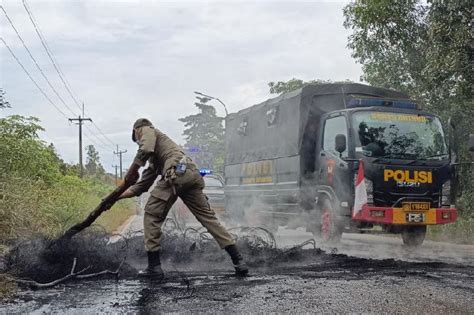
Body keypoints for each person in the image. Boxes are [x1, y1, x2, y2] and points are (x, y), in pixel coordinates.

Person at [117, 118, 248, 278]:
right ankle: (239, 261)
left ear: (137, 131)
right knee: (209, 219)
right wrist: (116, 197)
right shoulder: (157, 157)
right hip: (191, 174)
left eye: (137, 139)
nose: (139, 142)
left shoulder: (147, 129)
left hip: (176, 174)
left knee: (151, 215)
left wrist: (133, 168)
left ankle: (154, 268)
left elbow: (145, 147)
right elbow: (141, 186)